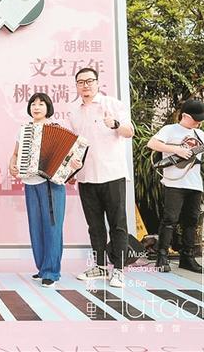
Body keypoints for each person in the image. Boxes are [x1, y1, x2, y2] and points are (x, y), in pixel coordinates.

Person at [147, 99, 204, 274]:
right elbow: (152, 144)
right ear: (185, 116)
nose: (199, 122)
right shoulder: (170, 130)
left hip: (194, 183)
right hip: (174, 182)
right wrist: (177, 150)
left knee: (191, 221)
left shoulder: (200, 134)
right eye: (196, 118)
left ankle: (187, 257)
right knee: (170, 219)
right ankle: (162, 256)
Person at [66, 67, 134, 288]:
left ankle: (119, 270)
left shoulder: (112, 104)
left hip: (112, 173)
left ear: (97, 82)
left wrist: (115, 124)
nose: (85, 85)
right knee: (94, 226)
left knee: (118, 224)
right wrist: (71, 171)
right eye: (81, 82)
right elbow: (75, 144)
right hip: (86, 175)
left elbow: (129, 132)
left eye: (89, 81)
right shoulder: (73, 111)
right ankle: (100, 266)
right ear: (77, 86)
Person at [8, 93, 82, 288]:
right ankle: (42, 268)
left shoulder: (57, 129)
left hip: (52, 184)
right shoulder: (24, 130)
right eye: (33, 104)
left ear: (48, 107)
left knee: (52, 227)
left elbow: (72, 158)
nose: (37, 107)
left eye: (41, 104)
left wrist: (74, 165)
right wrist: (12, 164)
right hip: (30, 182)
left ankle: (52, 271)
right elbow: (15, 153)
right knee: (36, 226)